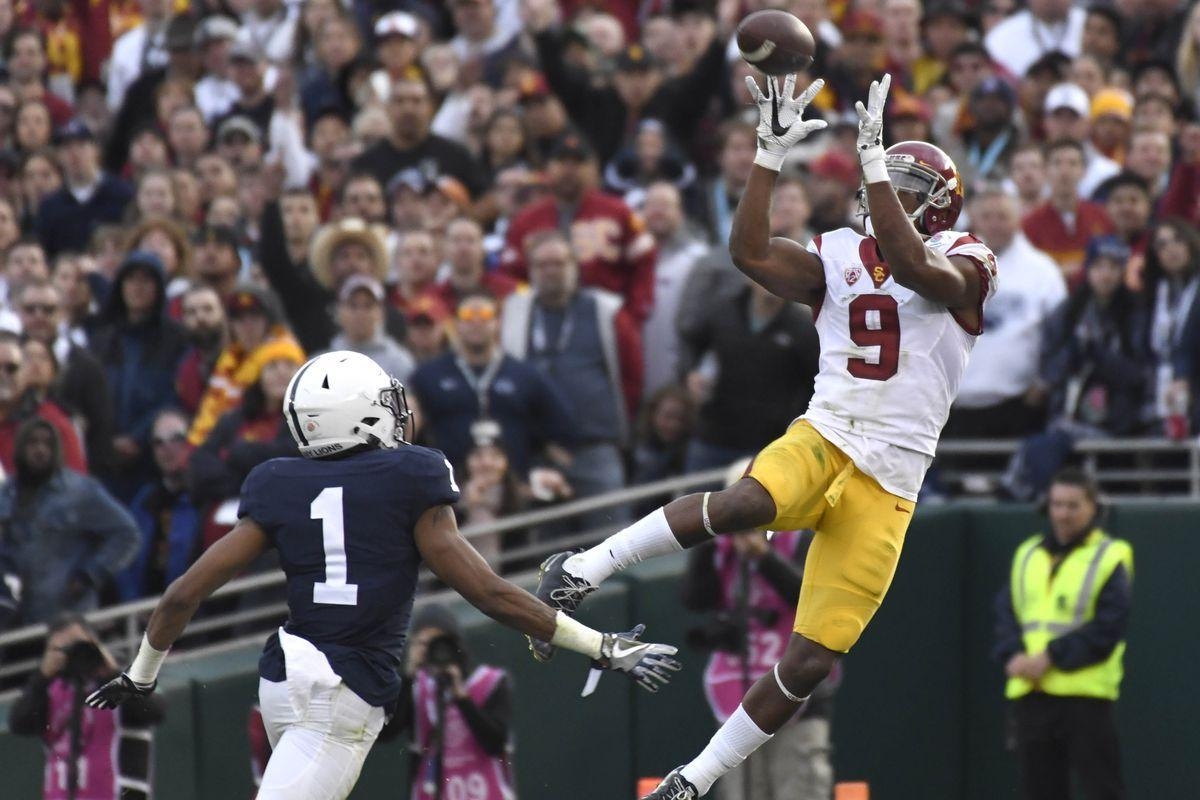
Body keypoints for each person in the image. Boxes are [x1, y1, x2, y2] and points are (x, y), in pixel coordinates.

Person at [531, 72, 999, 800]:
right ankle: (584, 567)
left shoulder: (970, 258)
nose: (889, 190)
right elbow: (749, 253)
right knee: (746, 504)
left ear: (941, 204)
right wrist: (767, 157)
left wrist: (873, 165)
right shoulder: (839, 253)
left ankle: (694, 778)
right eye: (887, 175)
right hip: (828, 432)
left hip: (895, 478)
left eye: (907, 181)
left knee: (810, 661)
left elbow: (918, 270)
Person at [85, 350, 681, 800]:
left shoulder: (276, 481)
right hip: (341, 690)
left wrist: (140, 676)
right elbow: (487, 591)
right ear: (359, 412)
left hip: (286, 673)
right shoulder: (411, 475)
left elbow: (180, 596)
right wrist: (597, 644)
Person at [682, 467, 837, 800]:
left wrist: (764, 558)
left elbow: (809, 593)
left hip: (798, 695)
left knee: (798, 787)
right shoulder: (723, 549)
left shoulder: (802, 537)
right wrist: (706, 542)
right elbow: (694, 598)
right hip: (737, 695)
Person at [993, 469, 1132, 800]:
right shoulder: (1027, 554)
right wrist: (1012, 653)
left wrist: (1052, 656)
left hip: (1086, 695)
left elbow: (1109, 626)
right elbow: (1006, 612)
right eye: (1056, 504)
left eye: (1072, 505)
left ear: (1093, 508)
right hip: (1032, 692)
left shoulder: (1111, 555)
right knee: (1040, 791)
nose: (1063, 514)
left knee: (1103, 789)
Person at [500, 231, 641, 528]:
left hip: (596, 448)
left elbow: (632, 376)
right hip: (538, 454)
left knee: (612, 541)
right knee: (548, 552)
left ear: (575, 267)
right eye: (542, 265)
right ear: (530, 270)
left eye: (559, 263)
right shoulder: (513, 311)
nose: (551, 271)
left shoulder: (606, 309)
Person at [410, 290, 575, 477]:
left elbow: (562, 429)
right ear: (455, 324)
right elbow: (412, 435)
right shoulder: (428, 376)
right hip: (450, 489)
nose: (476, 322)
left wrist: (549, 471)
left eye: (485, 315)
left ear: (498, 322)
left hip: (517, 487)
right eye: (468, 315)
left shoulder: (526, 375)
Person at [947, 187, 1067, 438]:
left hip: (1019, 405)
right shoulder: (949, 263)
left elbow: (1061, 336)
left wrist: (1043, 384)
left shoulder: (1043, 271)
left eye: (1002, 216)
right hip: (954, 405)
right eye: (987, 216)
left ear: (1019, 217)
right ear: (974, 218)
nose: (995, 224)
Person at [9, 614, 165, 800]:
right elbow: (19, 722)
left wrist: (111, 672)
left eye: (79, 645)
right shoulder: (49, 691)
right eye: (61, 649)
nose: (73, 654)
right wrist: (42, 677)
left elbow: (155, 710)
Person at [0, 419, 138, 624]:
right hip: (16, 621)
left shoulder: (79, 491)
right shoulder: (6, 495)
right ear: (20, 447)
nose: (40, 450)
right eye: (33, 442)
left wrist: (89, 575)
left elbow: (127, 533)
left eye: (48, 444)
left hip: (67, 618)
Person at [395, 603, 517, 800]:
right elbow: (387, 732)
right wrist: (408, 676)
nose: (432, 651)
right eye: (422, 643)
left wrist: (463, 698)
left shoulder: (490, 682)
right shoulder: (418, 688)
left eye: (436, 643)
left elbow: (496, 743)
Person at [116, 408, 204, 602]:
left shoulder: (204, 496)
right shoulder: (145, 499)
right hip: (145, 614)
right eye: (159, 442)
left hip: (196, 611)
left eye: (177, 439)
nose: (168, 448)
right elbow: (124, 557)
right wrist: (133, 601)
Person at [329, 275, 415, 382]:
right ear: (340, 311)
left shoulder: (398, 361)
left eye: (368, 306)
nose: (360, 313)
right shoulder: (323, 360)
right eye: (353, 305)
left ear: (381, 312)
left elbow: (407, 397)